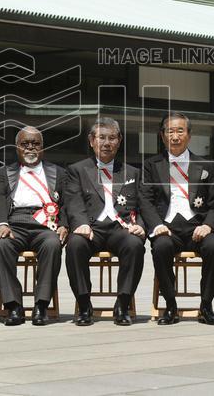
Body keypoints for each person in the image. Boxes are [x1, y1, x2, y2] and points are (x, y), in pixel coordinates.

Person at [139, 113, 214, 326]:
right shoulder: (151, 165)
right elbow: (145, 201)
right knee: (160, 248)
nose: (175, 136)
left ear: (189, 135)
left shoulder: (207, 166)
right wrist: (157, 225)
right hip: (167, 227)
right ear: (162, 135)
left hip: (197, 226)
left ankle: (206, 305)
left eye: (180, 131)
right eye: (169, 131)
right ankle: (170, 305)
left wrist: (208, 225)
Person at [63, 117, 146, 326]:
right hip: (91, 227)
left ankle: (123, 304)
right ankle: (84, 305)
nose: (106, 143)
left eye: (111, 138)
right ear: (91, 141)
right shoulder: (76, 170)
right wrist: (80, 223)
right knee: (75, 244)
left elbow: (144, 206)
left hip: (121, 228)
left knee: (135, 245)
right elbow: (73, 201)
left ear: (119, 141)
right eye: (101, 137)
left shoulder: (133, 172)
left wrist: (141, 226)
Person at [0, 126, 68, 326]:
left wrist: (64, 224)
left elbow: (68, 202)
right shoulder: (3, 173)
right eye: (25, 144)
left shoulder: (59, 173)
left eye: (36, 144)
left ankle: (41, 306)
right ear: (17, 147)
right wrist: (1, 224)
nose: (30, 148)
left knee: (52, 244)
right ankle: (13, 306)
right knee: (1, 244)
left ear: (43, 148)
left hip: (46, 225)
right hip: (14, 223)